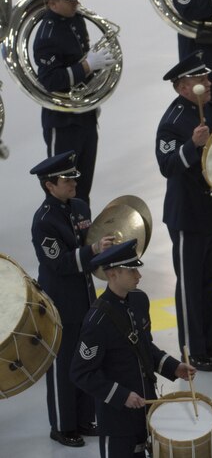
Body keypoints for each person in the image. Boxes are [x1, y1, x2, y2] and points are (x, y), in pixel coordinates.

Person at [70, 240, 196, 458]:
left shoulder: (139, 301)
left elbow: (144, 346)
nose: (138, 276)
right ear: (112, 275)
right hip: (116, 419)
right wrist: (122, 395)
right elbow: (80, 373)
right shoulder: (96, 321)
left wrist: (173, 367)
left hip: (146, 408)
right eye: (132, 271)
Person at [155, 51, 212, 371]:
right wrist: (192, 146)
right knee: (190, 284)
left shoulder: (211, 112)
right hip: (187, 215)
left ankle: (211, 340)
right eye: (200, 80)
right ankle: (192, 348)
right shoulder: (173, 122)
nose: (208, 82)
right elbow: (167, 166)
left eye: (206, 77)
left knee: (209, 279)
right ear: (182, 88)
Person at [30, 151, 110, 447]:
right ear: (49, 186)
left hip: (86, 296)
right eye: (67, 179)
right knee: (63, 366)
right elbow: (60, 263)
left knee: (87, 358)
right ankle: (63, 426)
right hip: (61, 301)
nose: (74, 182)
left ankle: (86, 418)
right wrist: (93, 252)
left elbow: (89, 243)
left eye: (74, 176)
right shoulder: (44, 221)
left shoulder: (79, 207)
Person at [32, 0, 116, 204]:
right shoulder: (47, 35)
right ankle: (65, 236)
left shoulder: (76, 20)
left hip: (85, 115)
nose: (76, 2)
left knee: (82, 187)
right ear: (52, 3)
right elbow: (50, 81)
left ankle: (82, 235)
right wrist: (88, 66)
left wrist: (95, 69)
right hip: (63, 121)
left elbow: (79, 58)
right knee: (62, 189)